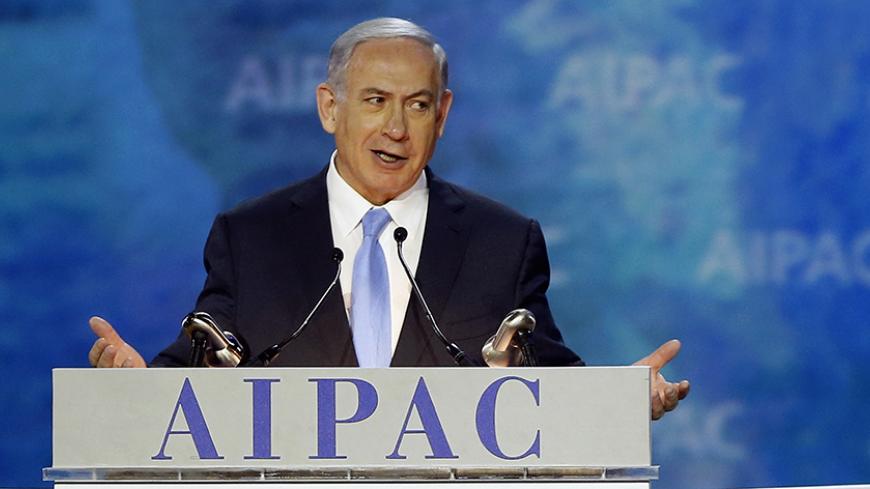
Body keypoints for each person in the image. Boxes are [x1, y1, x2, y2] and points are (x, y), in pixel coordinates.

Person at [88, 17, 689, 420]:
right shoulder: (252, 238)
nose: (396, 129)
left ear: (443, 114)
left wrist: (616, 403)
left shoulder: (502, 241)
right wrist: (141, 385)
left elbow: (547, 380)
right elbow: (207, 359)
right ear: (330, 107)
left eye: (418, 105)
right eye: (375, 101)